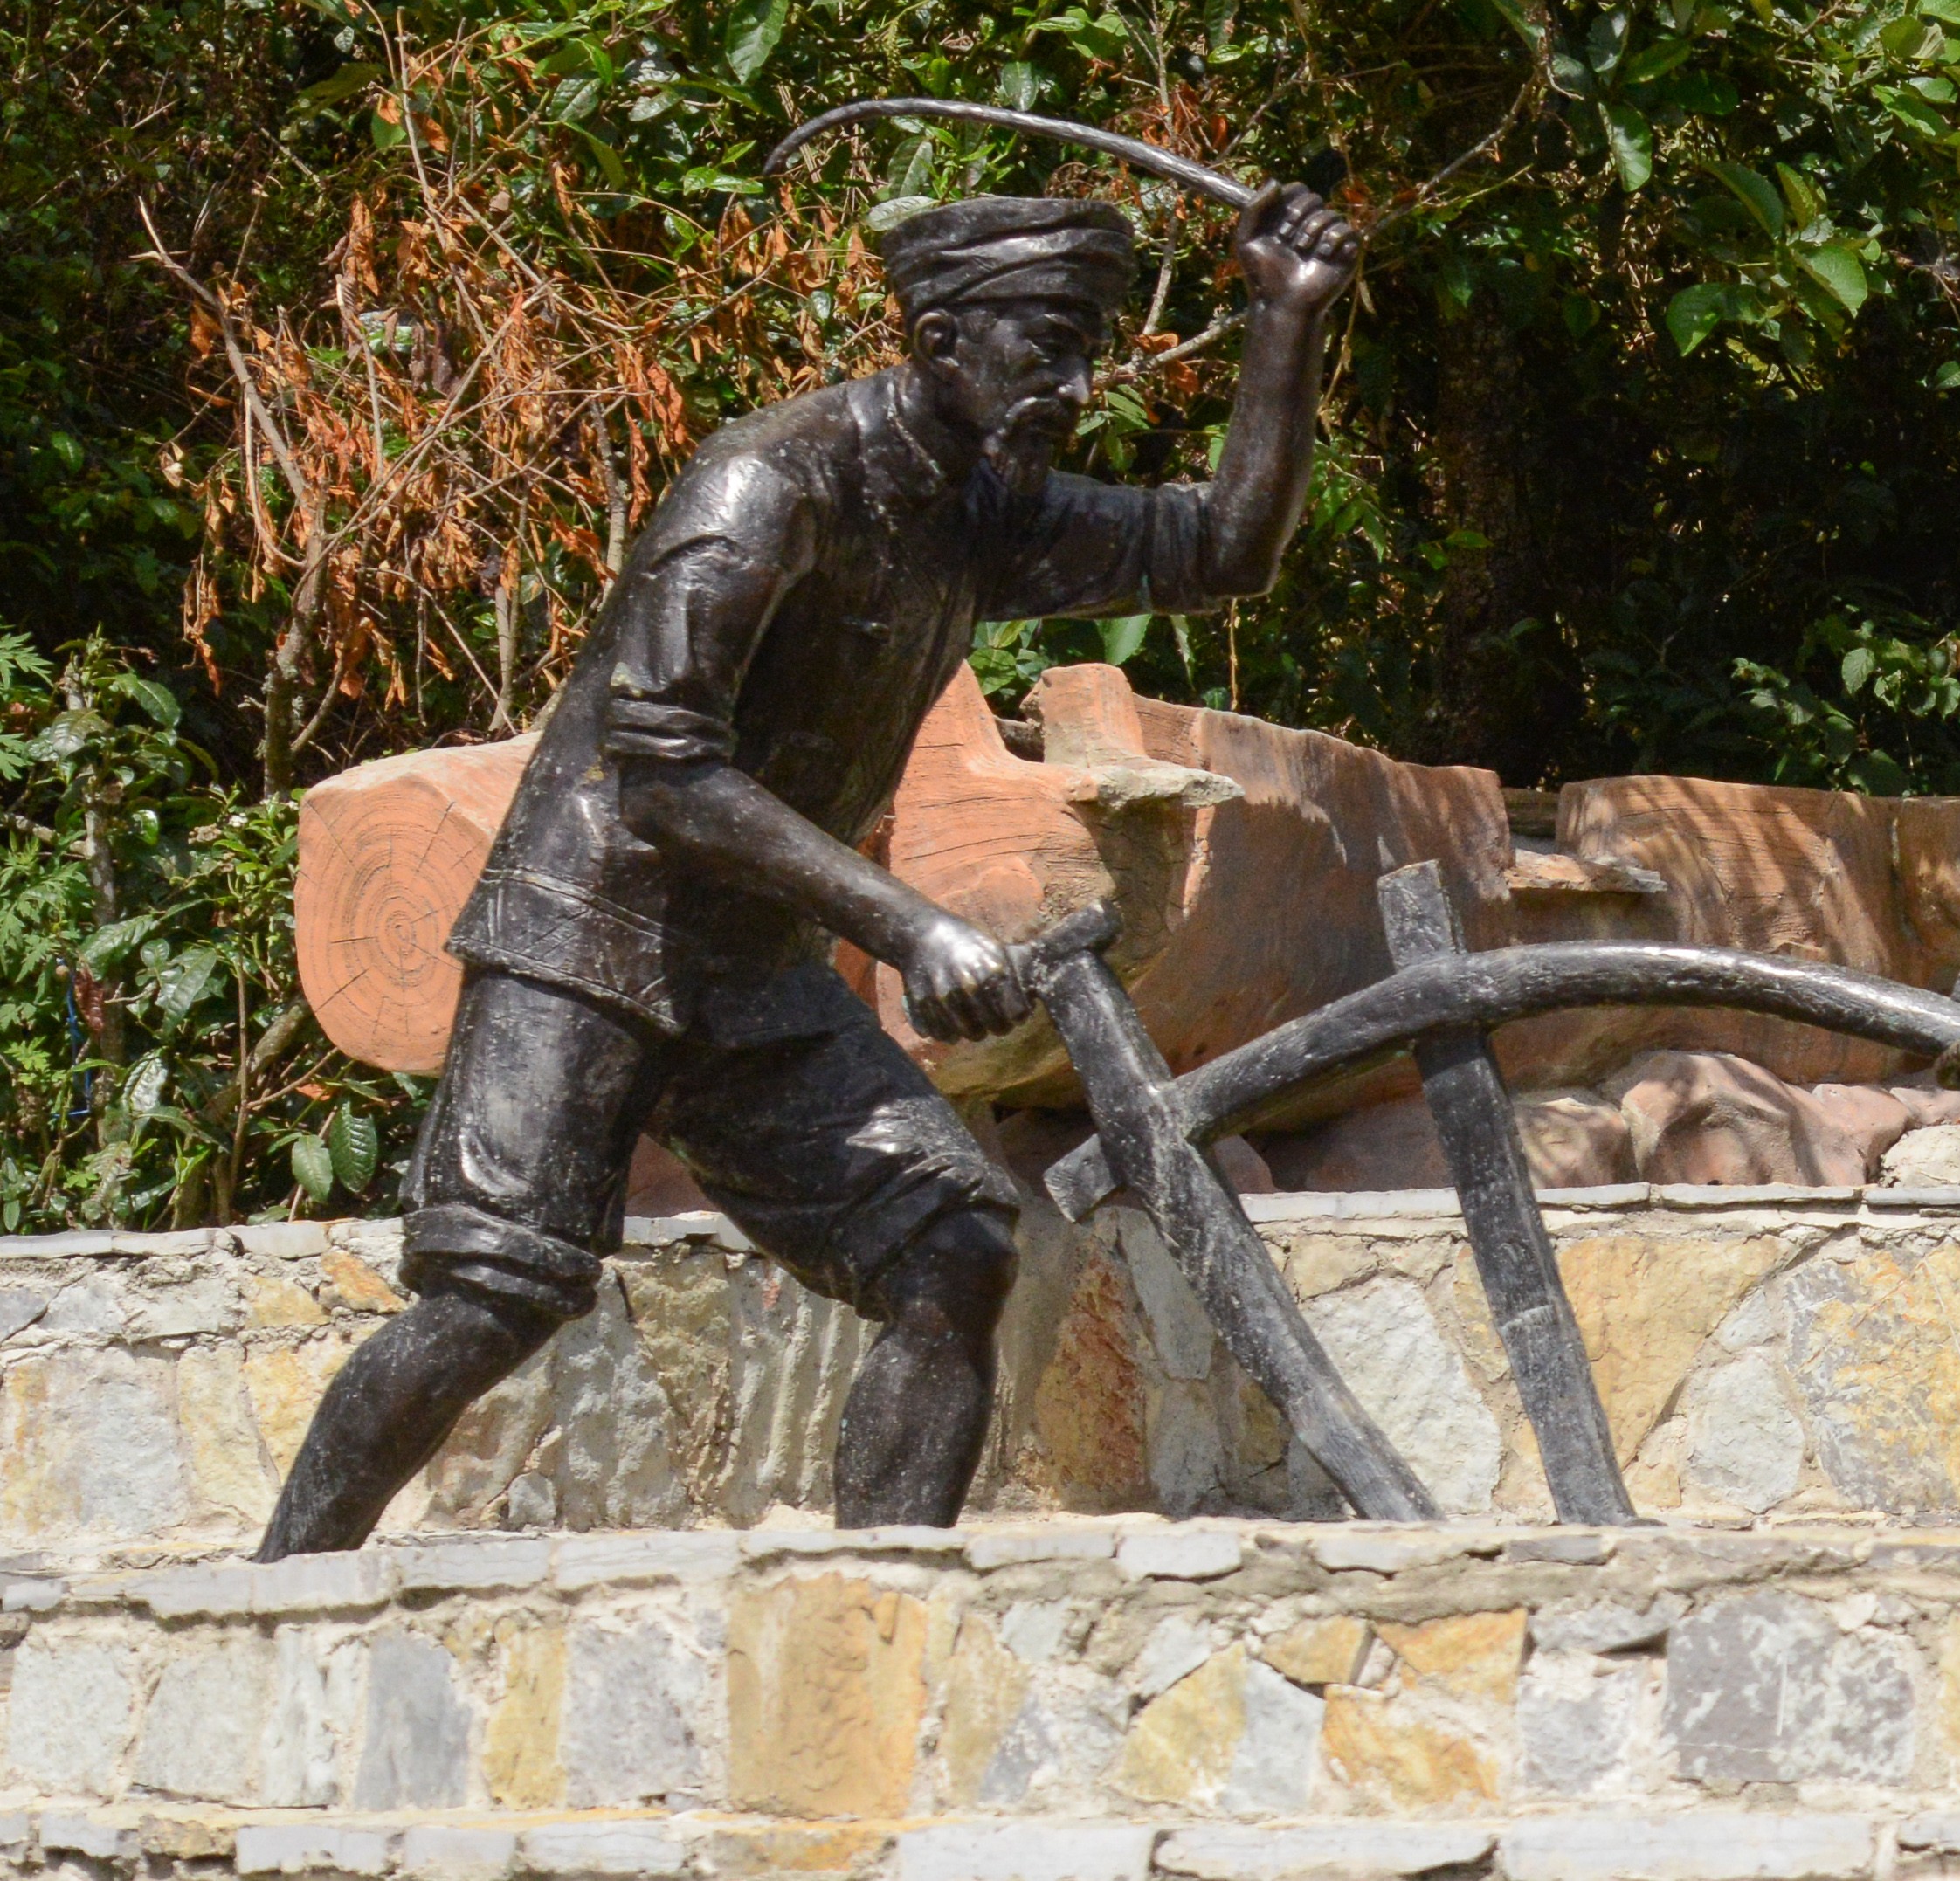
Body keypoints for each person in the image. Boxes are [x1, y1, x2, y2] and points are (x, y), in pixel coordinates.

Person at [258, 179, 1365, 1554]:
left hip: (751, 968)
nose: (1077, 384)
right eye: (1045, 346)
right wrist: (908, 924)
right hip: (589, 931)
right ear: (944, 339)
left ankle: (871, 1606)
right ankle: (278, 1586)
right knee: (498, 1293)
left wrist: (1283, 323)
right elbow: (660, 770)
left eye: (1087, 348)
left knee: (951, 1254)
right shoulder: (766, 483)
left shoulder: (985, 509)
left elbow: (1220, 551)